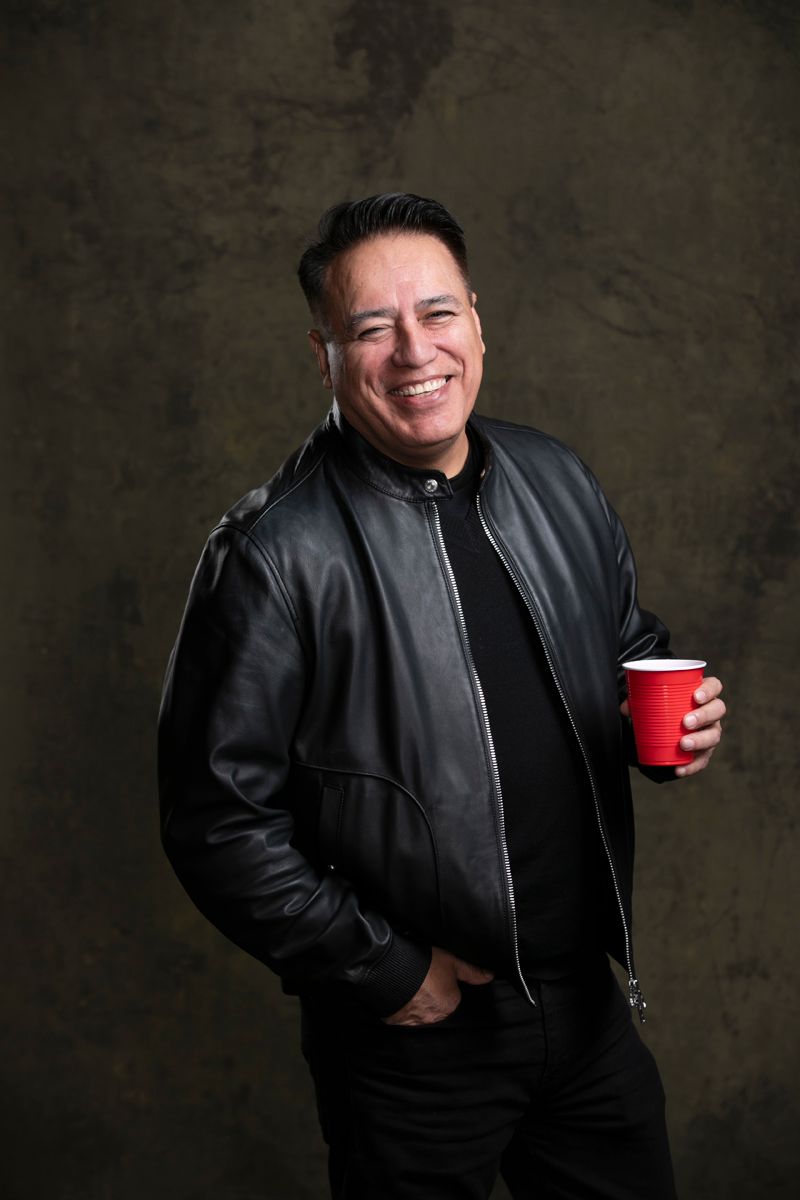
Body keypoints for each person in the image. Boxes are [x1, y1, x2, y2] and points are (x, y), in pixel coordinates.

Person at [158, 193, 725, 1199]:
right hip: (413, 1041)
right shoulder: (273, 555)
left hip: (583, 1007)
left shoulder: (556, 478)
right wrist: (382, 968)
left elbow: (626, 650)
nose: (415, 351)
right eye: (372, 328)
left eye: (437, 312)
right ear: (326, 356)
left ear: (476, 321)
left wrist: (674, 729)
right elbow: (217, 820)